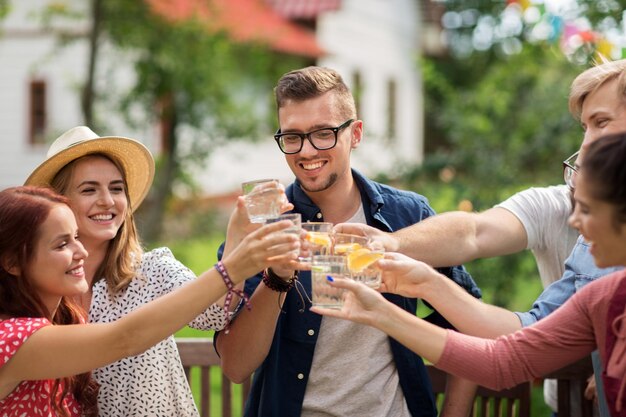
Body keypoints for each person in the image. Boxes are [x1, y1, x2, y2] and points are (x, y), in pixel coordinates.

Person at [336, 58, 626, 414]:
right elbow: (508, 356)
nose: (575, 222)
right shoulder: (600, 289)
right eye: (584, 127)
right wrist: (416, 285)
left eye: (601, 123)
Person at [214, 66, 482, 417]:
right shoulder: (259, 222)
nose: (306, 151)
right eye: (292, 137)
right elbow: (235, 367)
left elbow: (470, 319)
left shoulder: (409, 214)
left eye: (323, 133)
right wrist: (277, 278)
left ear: (355, 134)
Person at [22, 126, 295, 416]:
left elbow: (215, 314)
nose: (107, 200)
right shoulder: (38, 291)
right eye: (89, 189)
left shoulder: (151, 270)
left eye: (116, 188)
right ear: (59, 203)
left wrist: (236, 238)